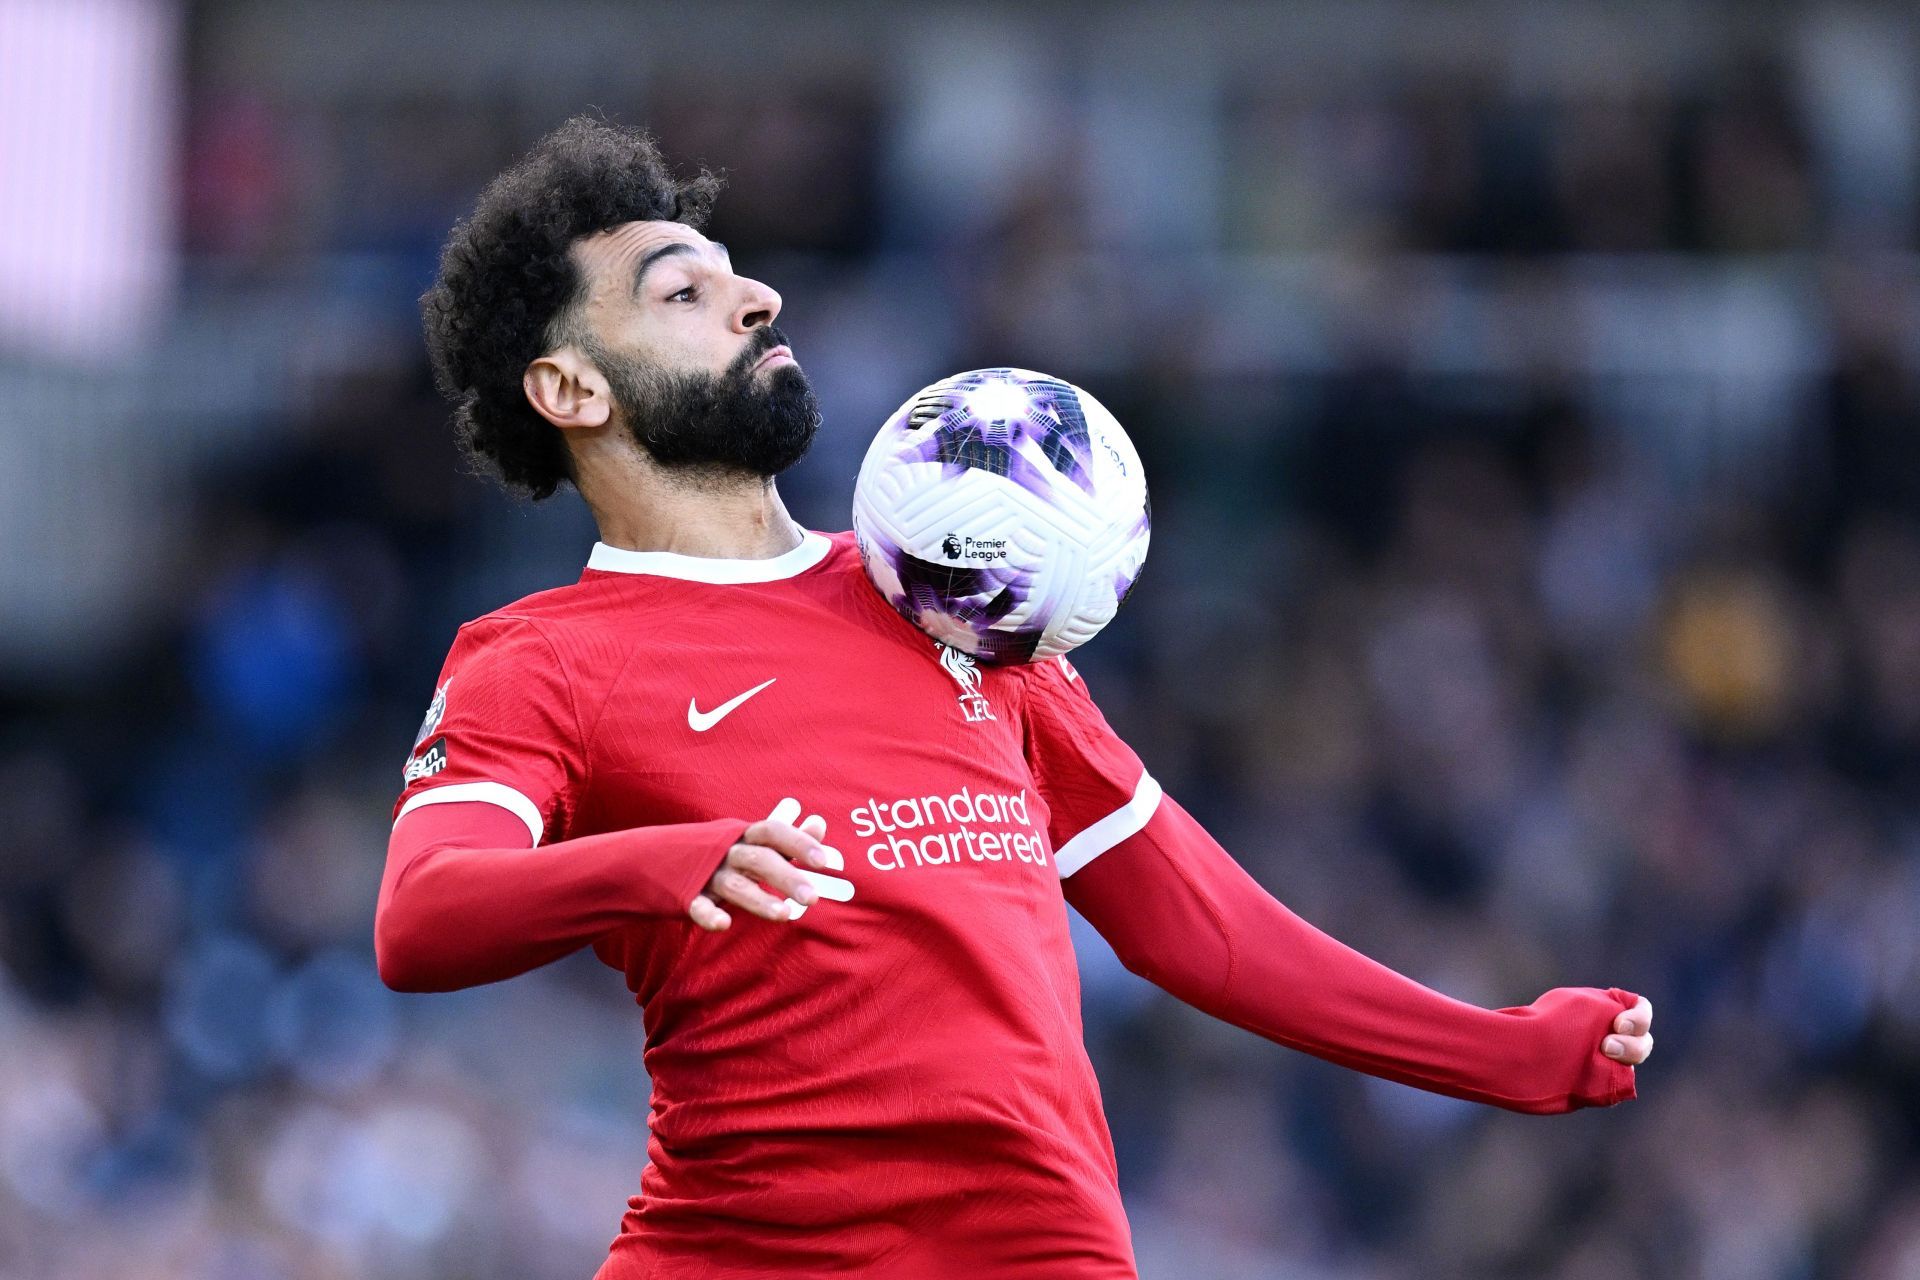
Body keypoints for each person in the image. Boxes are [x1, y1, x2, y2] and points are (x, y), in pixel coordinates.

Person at [377, 116, 1654, 1280]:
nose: (758, 297)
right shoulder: (541, 656)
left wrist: (1498, 1051)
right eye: (684, 292)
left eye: (736, 271)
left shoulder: (949, 598)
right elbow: (423, 914)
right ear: (572, 389)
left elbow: (1197, 923)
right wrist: (669, 861)